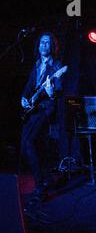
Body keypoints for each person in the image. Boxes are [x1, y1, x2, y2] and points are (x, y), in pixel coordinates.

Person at [20, 32, 64, 201]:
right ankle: (44, 179)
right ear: (38, 46)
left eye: (47, 43)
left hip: (46, 110)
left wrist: (52, 92)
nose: (44, 45)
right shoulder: (37, 65)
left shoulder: (57, 67)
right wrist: (23, 98)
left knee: (29, 142)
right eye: (41, 43)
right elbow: (29, 86)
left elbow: (58, 91)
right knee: (30, 146)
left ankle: (40, 186)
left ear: (52, 46)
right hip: (33, 109)